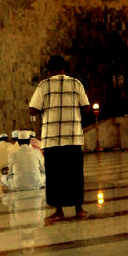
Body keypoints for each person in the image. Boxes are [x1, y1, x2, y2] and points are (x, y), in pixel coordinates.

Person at [29, 55, 90, 221]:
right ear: (64, 68)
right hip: (73, 138)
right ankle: (79, 209)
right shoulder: (76, 83)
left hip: (52, 139)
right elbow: (86, 107)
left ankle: (59, 211)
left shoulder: (44, 85)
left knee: (55, 177)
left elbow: (33, 109)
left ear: (49, 70)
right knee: (75, 175)